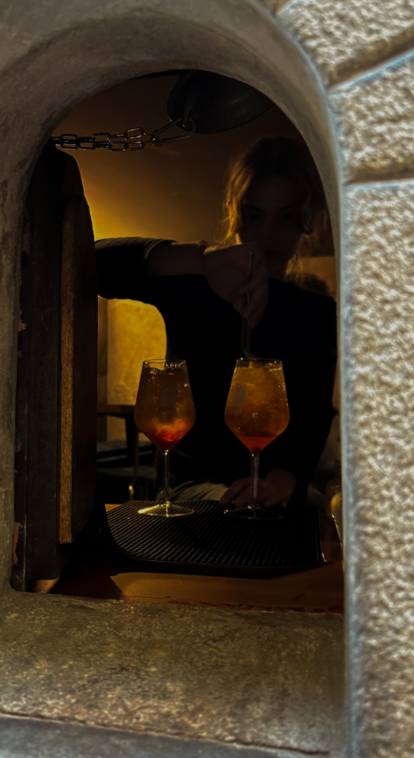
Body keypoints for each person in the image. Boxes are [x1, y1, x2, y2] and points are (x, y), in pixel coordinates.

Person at [97, 137, 337, 512]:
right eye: (254, 214)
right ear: (235, 212)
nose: (268, 234)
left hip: (276, 495)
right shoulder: (197, 288)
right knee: (235, 516)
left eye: (286, 216)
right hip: (193, 487)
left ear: (307, 219)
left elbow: (314, 415)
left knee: (319, 517)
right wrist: (200, 258)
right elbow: (91, 263)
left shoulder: (315, 313)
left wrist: (283, 479)